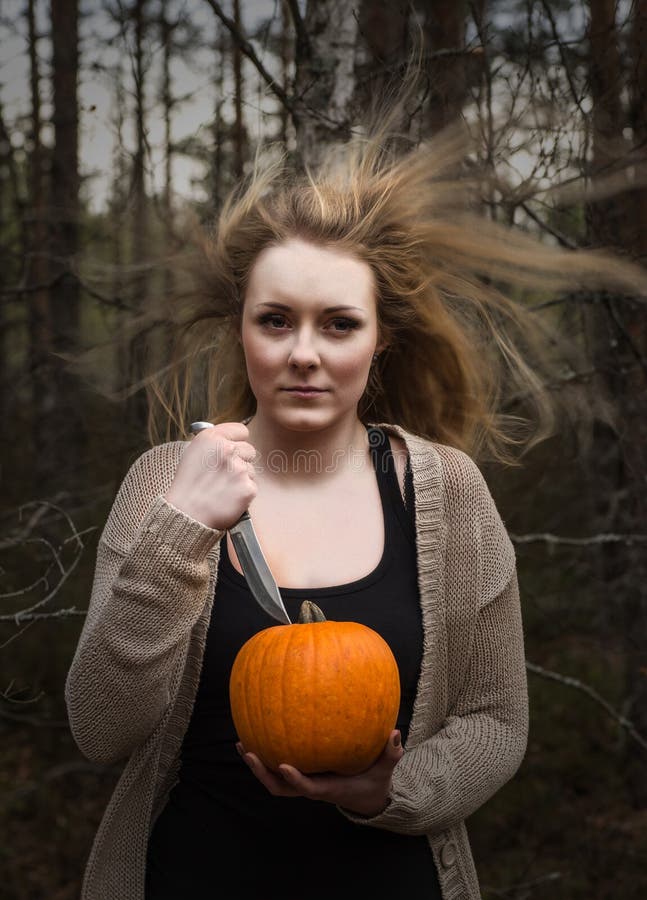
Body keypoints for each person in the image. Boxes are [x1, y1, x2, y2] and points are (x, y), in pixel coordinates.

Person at [64, 109, 645, 900]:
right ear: (241, 331)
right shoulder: (165, 483)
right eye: (276, 320)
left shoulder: (445, 491)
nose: (303, 352)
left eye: (338, 324)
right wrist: (181, 533)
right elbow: (101, 729)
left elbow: (495, 720)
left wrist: (388, 794)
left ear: (379, 342)